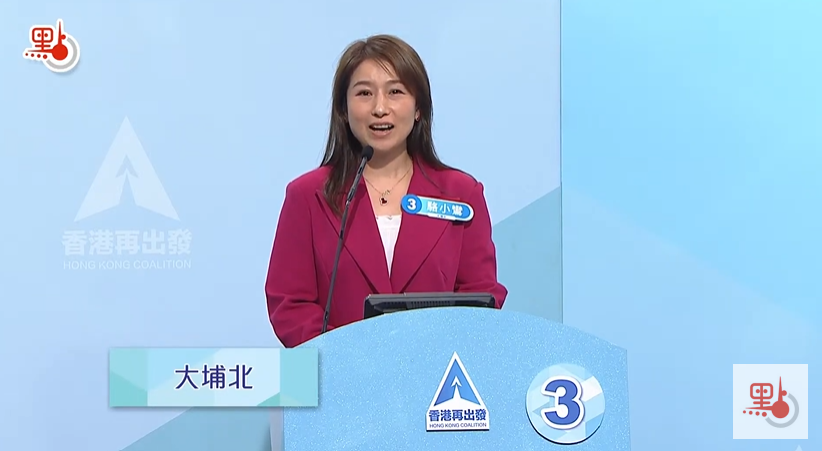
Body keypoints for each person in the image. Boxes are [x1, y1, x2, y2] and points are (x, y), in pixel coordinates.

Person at [264, 34, 507, 348]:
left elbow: (480, 295)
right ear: (343, 109)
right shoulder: (308, 196)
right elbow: (290, 304)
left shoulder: (461, 194)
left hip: (437, 370)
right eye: (364, 93)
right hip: (342, 371)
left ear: (418, 108)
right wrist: (351, 357)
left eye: (395, 92)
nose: (380, 108)